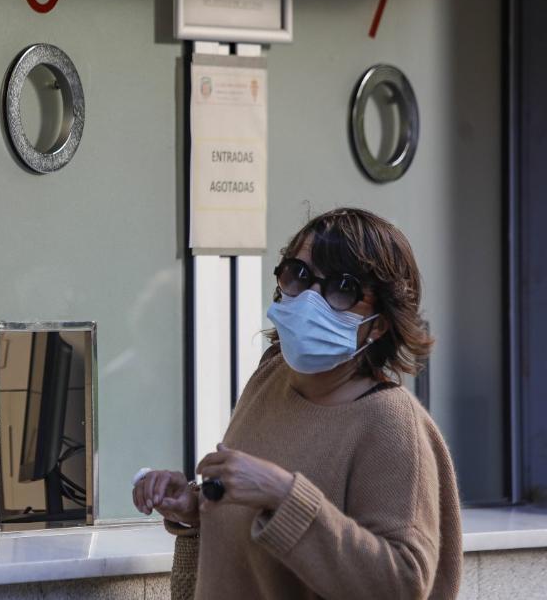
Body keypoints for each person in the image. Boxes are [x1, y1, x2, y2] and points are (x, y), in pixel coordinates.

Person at [132, 208, 462, 600]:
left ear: (379, 323)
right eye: (299, 275)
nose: (309, 300)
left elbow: (403, 584)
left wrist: (283, 492)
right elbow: (260, 534)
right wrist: (196, 505)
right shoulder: (272, 374)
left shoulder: (390, 422)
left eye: (342, 288)